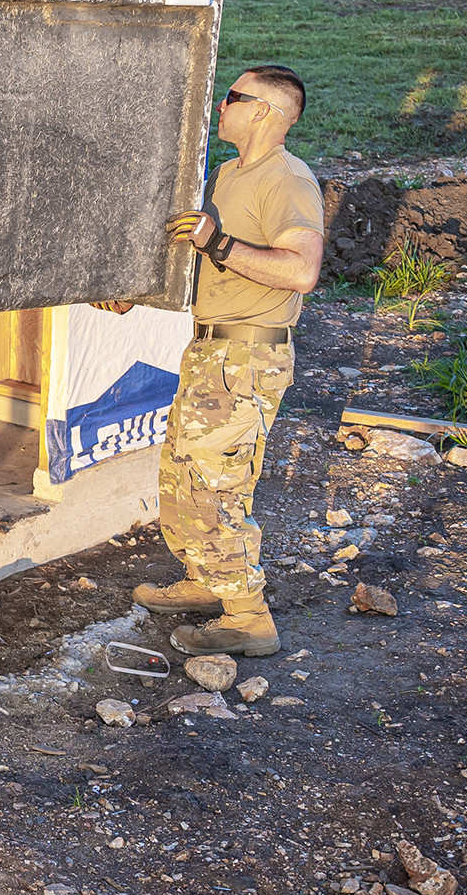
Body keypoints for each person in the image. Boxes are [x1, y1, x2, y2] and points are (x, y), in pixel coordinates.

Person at [120, 64, 326, 658]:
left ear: (265, 111)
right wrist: (136, 288)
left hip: (248, 355)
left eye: (232, 97)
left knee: (217, 485)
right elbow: (201, 254)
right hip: (211, 348)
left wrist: (220, 243)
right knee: (183, 475)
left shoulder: (287, 180)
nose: (221, 105)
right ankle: (206, 582)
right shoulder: (228, 173)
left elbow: (301, 271)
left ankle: (248, 617)